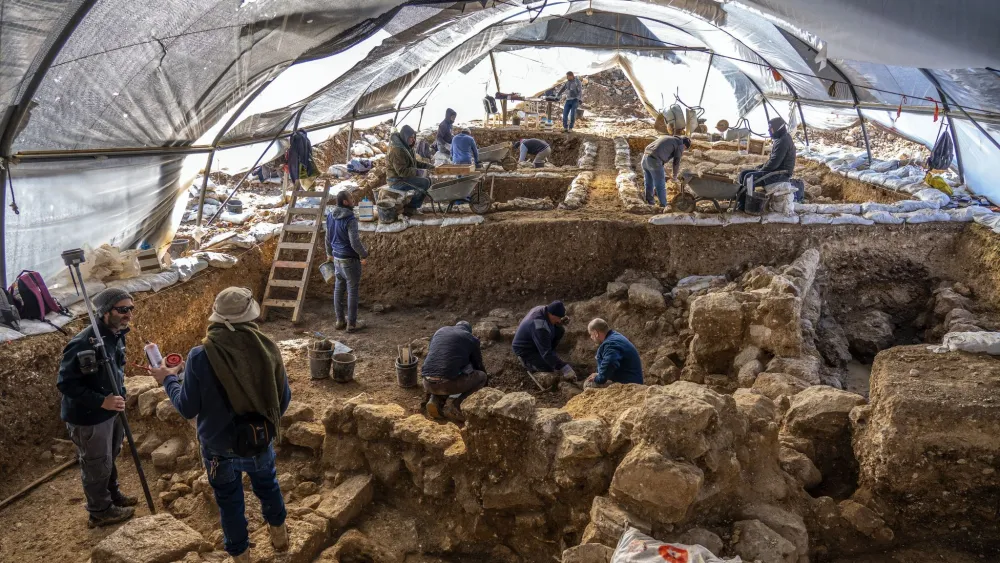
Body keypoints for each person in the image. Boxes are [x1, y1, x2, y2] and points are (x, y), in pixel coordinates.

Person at [153, 287, 292, 563]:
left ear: (218, 317)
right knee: (268, 486)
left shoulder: (199, 356)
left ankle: (242, 556)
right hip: (257, 440)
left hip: (217, 448)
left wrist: (169, 380)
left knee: (229, 502)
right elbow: (283, 400)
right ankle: (280, 539)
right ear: (249, 317)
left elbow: (187, 407)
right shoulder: (267, 349)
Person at [58, 288, 151, 528]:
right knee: (96, 463)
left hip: (111, 411)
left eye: (131, 308)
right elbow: (66, 383)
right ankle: (99, 511)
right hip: (89, 417)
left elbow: (115, 370)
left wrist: (118, 396)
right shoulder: (82, 343)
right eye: (122, 309)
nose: (128, 314)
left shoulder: (115, 335)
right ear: (105, 312)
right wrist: (101, 401)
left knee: (109, 458)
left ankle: (113, 496)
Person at [421, 321, 488, 421]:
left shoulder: (440, 331)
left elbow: (434, 354)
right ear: (469, 331)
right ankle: (457, 404)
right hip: (447, 383)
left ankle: (434, 400)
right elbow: (477, 364)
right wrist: (486, 383)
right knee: (481, 376)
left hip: (426, 382)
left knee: (447, 371)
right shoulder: (470, 338)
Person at [325, 190, 369, 333]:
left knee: (338, 289)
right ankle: (351, 324)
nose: (353, 200)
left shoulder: (331, 215)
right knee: (352, 291)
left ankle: (339, 321)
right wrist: (363, 254)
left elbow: (327, 237)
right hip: (350, 260)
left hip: (337, 259)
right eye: (350, 198)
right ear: (345, 202)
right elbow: (354, 242)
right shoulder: (350, 219)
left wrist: (329, 254)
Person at [737, 117, 797, 209]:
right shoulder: (781, 138)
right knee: (743, 174)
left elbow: (774, 164)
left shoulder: (783, 141)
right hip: (776, 171)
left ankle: (748, 206)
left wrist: (760, 170)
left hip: (781, 175)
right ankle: (742, 202)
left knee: (749, 177)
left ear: (778, 128)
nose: (769, 130)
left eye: (771, 128)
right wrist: (759, 167)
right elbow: (773, 161)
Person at [512, 300, 575, 381]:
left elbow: (554, 322)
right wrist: (565, 368)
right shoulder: (540, 326)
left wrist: (560, 321)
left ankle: (549, 355)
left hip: (535, 339)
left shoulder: (544, 309)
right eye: (558, 318)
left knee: (559, 330)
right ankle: (528, 363)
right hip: (525, 349)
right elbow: (546, 353)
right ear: (551, 314)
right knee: (549, 367)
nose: (559, 320)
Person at [387, 124, 435, 215]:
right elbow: (402, 172)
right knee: (424, 182)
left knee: (428, 180)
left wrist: (428, 166)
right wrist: (420, 172)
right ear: (405, 137)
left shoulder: (407, 147)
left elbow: (414, 163)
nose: (413, 140)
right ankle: (411, 207)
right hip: (396, 180)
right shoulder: (397, 150)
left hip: (404, 178)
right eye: (411, 137)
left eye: (414, 137)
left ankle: (412, 206)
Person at [583, 318, 643, 389]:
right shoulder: (614, 337)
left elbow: (610, 362)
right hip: (630, 378)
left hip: (629, 384)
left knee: (589, 384)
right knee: (594, 376)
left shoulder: (610, 344)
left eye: (591, 334)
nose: (591, 337)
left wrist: (599, 378)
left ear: (596, 333)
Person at [641, 135, 691, 207]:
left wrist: (660, 160)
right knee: (660, 184)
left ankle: (650, 202)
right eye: (685, 148)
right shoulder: (680, 144)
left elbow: (658, 148)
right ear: (684, 145)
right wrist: (674, 176)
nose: (683, 150)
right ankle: (664, 205)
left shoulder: (668, 138)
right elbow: (676, 162)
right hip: (655, 161)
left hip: (645, 158)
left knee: (649, 182)